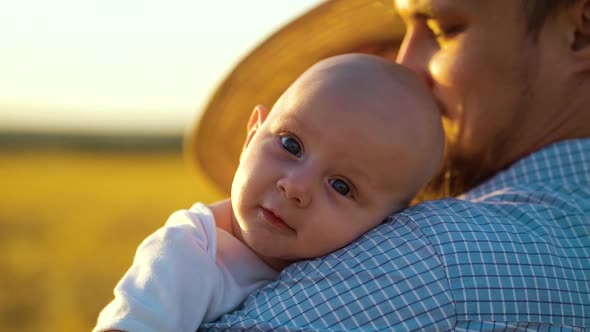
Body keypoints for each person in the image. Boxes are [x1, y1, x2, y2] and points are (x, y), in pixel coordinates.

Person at [197, 0, 590, 330]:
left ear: (581, 33)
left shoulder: (437, 253)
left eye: (445, 30)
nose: (406, 64)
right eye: (290, 144)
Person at [93, 54, 445, 332]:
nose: (295, 187)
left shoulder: (356, 280)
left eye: (341, 186)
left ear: (385, 227)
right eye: (290, 144)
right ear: (251, 136)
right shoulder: (189, 253)